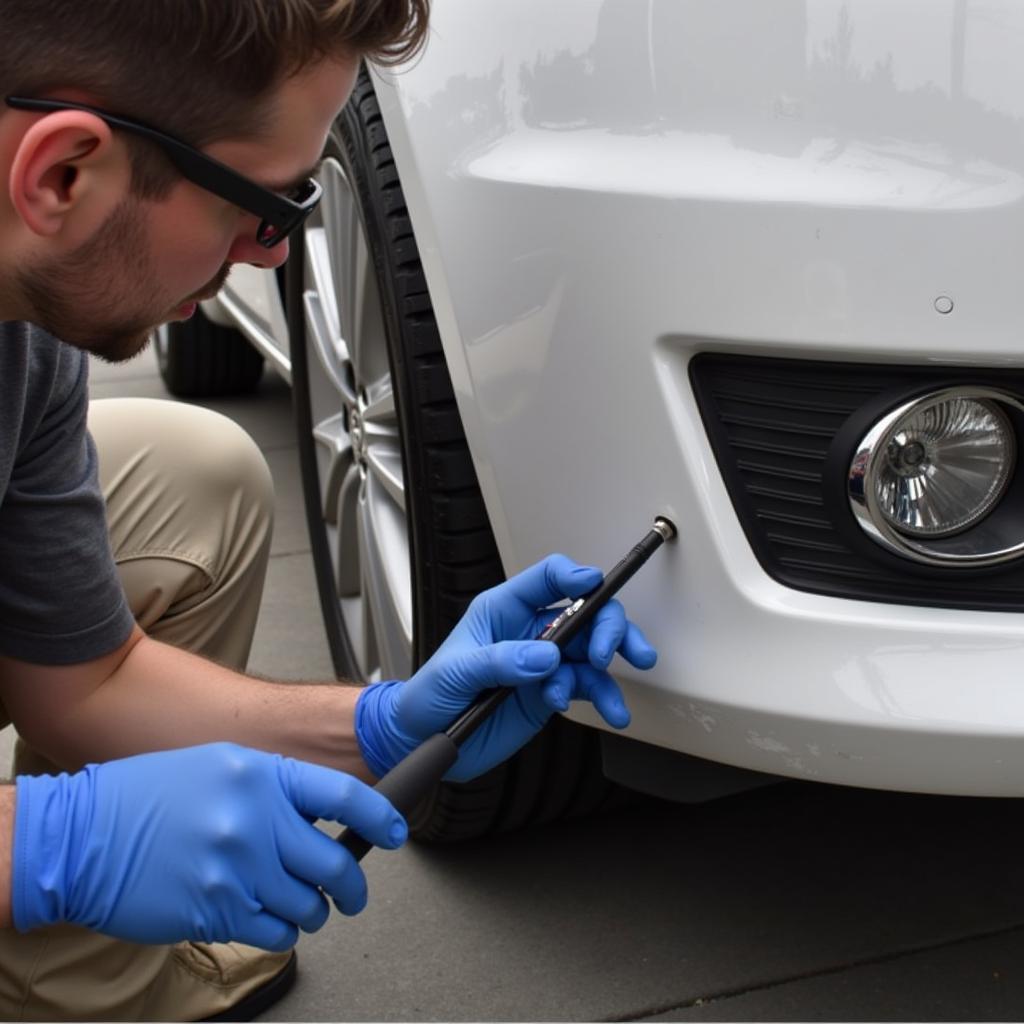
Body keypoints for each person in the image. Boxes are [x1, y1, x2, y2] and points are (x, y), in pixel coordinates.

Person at [0, 0, 659, 1019]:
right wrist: (41, 847)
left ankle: (80, 992)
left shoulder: (23, 328)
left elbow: (84, 683)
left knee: (191, 471)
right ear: (63, 173)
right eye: (263, 204)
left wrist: (382, 725)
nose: (272, 255)